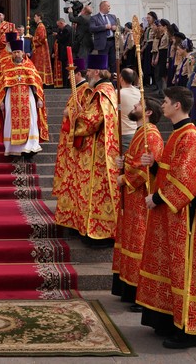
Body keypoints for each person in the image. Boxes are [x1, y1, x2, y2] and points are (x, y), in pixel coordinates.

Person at [137, 86, 196, 349]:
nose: (163, 105)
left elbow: (187, 179)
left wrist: (156, 198)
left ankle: (189, 331)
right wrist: (154, 165)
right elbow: (171, 171)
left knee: (183, 270)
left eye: (166, 102)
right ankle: (169, 319)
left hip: (182, 215)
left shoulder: (190, 137)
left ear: (177, 105)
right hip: (170, 213)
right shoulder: (178, 133)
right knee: (169, 266)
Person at [111, 95, 163, 306]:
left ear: (148, 112)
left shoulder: (151, 135)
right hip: (131, 200)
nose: (134, 106)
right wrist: (123, 162)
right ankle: (127, 285)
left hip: (140, 198)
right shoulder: (140, 133)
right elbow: (136, 161)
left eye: (139, 104)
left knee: (138, 241)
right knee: (130, 240)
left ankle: (137, 291)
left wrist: (125, 177)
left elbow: (146, 169)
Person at [69, 54, 120, 247]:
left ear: (97, 71)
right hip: (97, 150)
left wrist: (75, 114)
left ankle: (100, 232)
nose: (87, 73)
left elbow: (90, 122)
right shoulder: (102, 90)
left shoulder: (102, 92)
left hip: (100, 154)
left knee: (99, 191)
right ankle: (90, 227)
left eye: (89, 70)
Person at [0, 39, 48, 161]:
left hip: (28, 99)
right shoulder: (6, 68)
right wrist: (1, 101)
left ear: (22, 52)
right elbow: (1, 86)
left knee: (30, 124)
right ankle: (14, 152)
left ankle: (29, 152)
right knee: (10, 123)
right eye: (14, 52)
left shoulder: (29, 66)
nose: (16, 54)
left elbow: (36, 83)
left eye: (18, 52)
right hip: (11, 99)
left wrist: (39, 98)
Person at [52, 57, 91, 209]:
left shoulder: (86, 90)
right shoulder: (77, 90)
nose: (68, 77)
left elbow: (86, 113)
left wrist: (69, 111)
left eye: (70, 74)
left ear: (78, 74)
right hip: (68, 136)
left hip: (76, 138)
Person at [89, 0, 119, 74]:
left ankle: (113, 81)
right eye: (108, 6)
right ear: (103, 7)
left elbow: (119, 27)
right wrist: (104, 27)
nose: (110, 8)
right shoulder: (94, 18)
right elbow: (92, 28)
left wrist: (116, 28)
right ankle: (104, 79)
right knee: (103, 62)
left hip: (113, 42)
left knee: (113, 62)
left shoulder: (112, 17)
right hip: (102, 43)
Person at [117, 68, 142, 148]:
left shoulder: (118, 93)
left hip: (124, 133)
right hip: (136, 130)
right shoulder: (139, 92)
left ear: (121, 78)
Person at [31, 13, 54, 85]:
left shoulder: (41, 26)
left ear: (39, 17)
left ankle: (41, 80)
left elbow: (41, 38)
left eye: (35, 16)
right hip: (40, 49)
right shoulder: (39, 26)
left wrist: (32, 38)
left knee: (39, 64)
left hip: (41, 49)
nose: (34, 18)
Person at [53, 18, 73, 88]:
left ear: (61, 23)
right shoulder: (69, 28)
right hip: (67, 52)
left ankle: (66, 84)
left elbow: (62, 39)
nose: (59, 27)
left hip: (65, 52)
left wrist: (57, 36)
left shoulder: (66, 29)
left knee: (65, 69)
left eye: (59, 26)